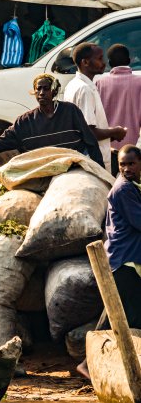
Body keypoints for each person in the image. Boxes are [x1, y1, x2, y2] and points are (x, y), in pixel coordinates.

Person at [76, 144, 141, 379]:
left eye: (131, 164)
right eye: (122, 164)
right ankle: (89, 364)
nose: (126, 169)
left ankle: (94, 363)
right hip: (124, 261)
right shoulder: (123, 189)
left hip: (129, 259)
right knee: (122, 317)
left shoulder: (132, 187)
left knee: (122, 315)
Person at [0, 74, 104, 172]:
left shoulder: (70, 111)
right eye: (38, 89)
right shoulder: (25, 122)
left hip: (72, 168)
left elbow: (90, 142)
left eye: (46, 89)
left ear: (54, 92)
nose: (42, 93)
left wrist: (100, 170)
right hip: (42, 170)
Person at [63, 42, 127, 173]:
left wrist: (110, 136)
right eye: (99, 58)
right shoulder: (84, 89)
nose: (104, 62)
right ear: (85, 62)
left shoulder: (74, 85)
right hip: (93, 161)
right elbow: (89, 132)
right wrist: (115, 132)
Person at [96, 44, 141, 152]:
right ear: (129, 60)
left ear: (110, 63)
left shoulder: (100, 83)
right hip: (134, 149)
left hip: (107, 146)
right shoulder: (139, 82)